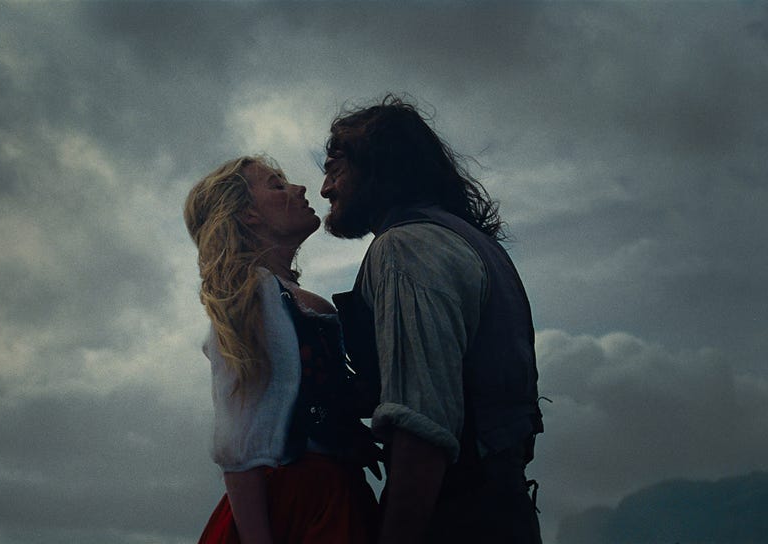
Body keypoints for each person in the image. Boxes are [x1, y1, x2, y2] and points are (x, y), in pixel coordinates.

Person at [320, 96, 544, 543]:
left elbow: (422, 428)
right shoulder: (473, 243)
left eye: (335, 167)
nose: (325, 189)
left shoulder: (405, 248)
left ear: (378, 166)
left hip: (457, 521)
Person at [184, 155, 380, 544]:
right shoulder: (252, 297)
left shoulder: (294, 300)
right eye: (277, 185)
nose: (300, 189)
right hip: (295, 505)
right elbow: (239, 445)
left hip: (336, 494)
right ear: (248, 215)